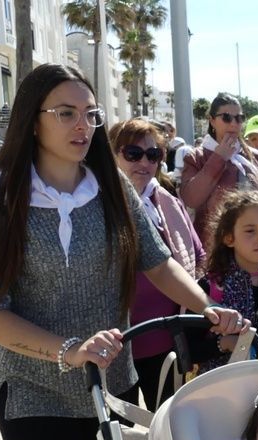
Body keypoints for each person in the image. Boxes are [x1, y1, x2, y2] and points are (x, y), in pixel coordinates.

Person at [0, 64, 248, 440]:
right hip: (33, 395)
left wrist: (209, 307)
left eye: (91, 114)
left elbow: (158, 261)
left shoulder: (111, 185)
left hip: (113, 385)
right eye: (66, 113)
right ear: (32, 120)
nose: (83, 125)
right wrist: (70, 350)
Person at [108, 118, 205, 410]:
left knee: (168, 425)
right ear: (112, 154)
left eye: (153, 155)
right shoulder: (94, 204)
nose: (144, 163)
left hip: (167, 342)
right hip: (114, 346)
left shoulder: (166, 201)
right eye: (133, 153)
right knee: (122, 430)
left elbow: (197, 255)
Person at [188, 189, 258, 376]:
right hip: (225, 387)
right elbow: (189, 350)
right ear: (229, 238)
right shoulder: (211, 287)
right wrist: (225, 343)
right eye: (250, 231)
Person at [180, 92, 258, 244]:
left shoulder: (255, 156)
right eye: (227, 117)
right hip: (216, 247)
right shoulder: (196, 157)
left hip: (257, 245)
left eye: (239, 118)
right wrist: (219, 158)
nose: (234, 124)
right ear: (212, 120)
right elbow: (191, 199)